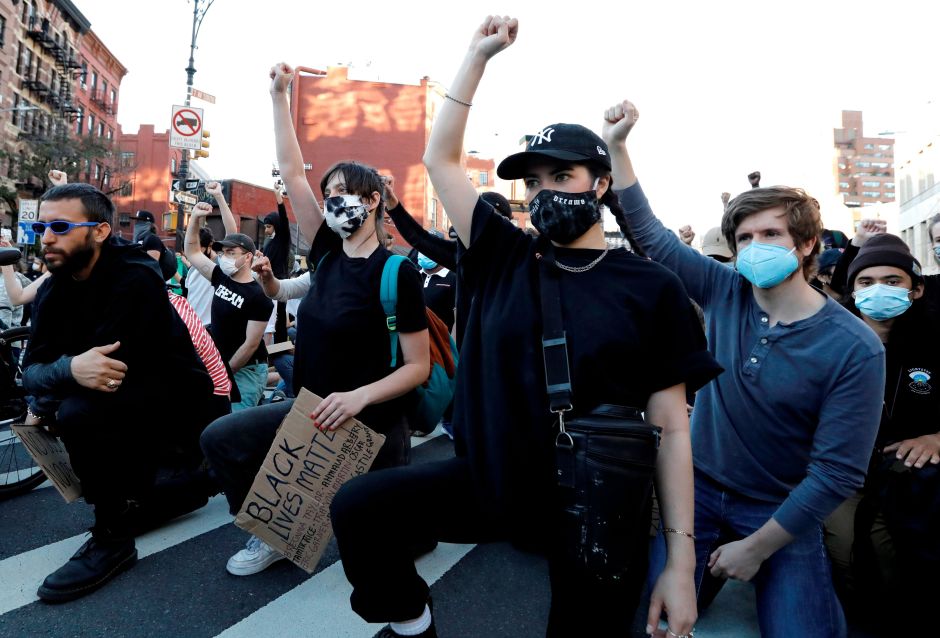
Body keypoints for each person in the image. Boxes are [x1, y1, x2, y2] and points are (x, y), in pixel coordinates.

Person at [328, 17, 721, 638]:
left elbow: (672, 428)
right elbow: (440, 158)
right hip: (492, 482)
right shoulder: (503, 255)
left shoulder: (651, 287)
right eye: (533, 182)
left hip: (594, 503)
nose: (544, 192)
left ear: (602, 184)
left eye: (561, 177)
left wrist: (679, 560)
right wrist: (478, 55)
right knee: (360, 509)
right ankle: (411, 624)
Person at [612, 102, 885, 636]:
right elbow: (652, 235)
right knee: (653, 622)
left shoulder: (856, 348)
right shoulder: (724, 290)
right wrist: (619, 147)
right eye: (743, 239)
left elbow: (837, 473)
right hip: (695, 491)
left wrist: (755, 550)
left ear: (807, 244)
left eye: (771, 235)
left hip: (780, 508)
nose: (754, 248)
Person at [198, 61, 430, 578]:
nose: (332, 201)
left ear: (372, 202)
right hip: (309, 409)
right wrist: (279, 96)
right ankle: (272, 533)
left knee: (392, 545)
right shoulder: (326, 255)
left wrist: (360, 396)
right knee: (222, 438)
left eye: (345, 192)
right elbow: (292, 169)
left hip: (371, 423)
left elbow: (417, 366)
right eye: (329, 193)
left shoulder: (397, 273)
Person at [21, 183, 213, 602]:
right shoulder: (53, 290)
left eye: (59, 226)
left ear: (101, 231)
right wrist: (64, 372)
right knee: (69, 405)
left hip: (179, 408)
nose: (46, 237)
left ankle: (113, 539)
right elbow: (31, 370)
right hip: (125, 403)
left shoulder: (135, 276)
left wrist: (56, 380)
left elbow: (107, 374)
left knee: (77, 412)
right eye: (41, 226)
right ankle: (155, 494)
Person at [823, 234, 940, 633]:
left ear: (917, 288)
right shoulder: (828, 343)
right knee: (849, 556)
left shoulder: (933, 341)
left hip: (914, 482)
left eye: (893, 282)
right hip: (843, 477)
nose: (879, 291)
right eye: (866, 282)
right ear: (852, 291)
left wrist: (937, 438)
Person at [184, 202, 272, 412]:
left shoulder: (258, 296)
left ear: (248, 257)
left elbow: (251, 344)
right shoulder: (220, 278)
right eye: (223, 252)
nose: (225, 257)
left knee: (233, 427)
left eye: (231, 252)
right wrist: (195, 218)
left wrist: (225, 372)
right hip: (221, 366)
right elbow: (192, 251)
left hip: (246, 370)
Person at [185, 226, 218, 328]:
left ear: (209, 246)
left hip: (209, 328)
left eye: (197, 247)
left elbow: (231, 231)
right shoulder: (192, 269)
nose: (192, 251)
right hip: (192, 326)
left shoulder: (219, 267)